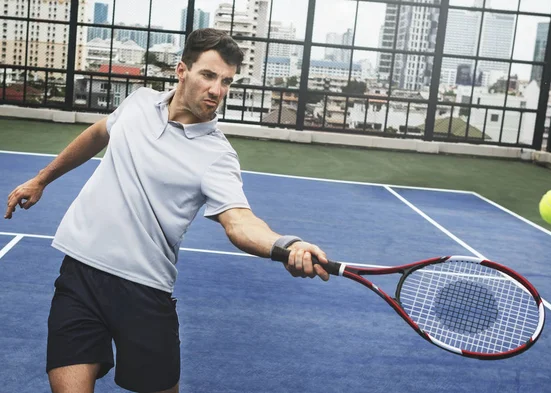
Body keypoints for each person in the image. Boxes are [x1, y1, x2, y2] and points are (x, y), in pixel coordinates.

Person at [4, 28, 329, 393]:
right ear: (181, 71)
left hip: (145, 293)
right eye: (208, 75)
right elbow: (98, 133)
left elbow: (239, 221)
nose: (217, 90)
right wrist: (42, 179)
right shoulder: (140, 101)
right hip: (80, 274)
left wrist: (286, 245)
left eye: (226, 81)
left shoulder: (217, 156)